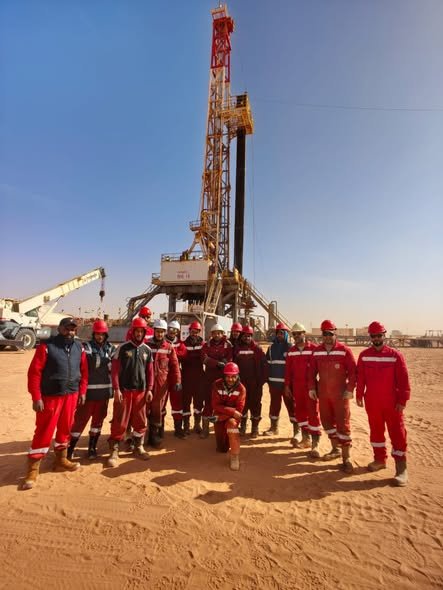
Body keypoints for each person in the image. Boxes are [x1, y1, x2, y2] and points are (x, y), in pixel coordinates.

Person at [22, 317, 88, 490]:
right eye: (67, 328)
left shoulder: (79, 347)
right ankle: (33, 468)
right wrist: (36, 397)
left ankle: (61, 459)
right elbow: (34, 373)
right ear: (59, 329)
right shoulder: (47, 347)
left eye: (73, 329)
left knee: (66, 428)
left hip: (71, 395)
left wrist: (82, 391)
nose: (70, 331)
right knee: (44, 430)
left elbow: (84, 372)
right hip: (50, 397)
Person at [356, 321, 411, 486]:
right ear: (370, 337)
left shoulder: (395, 356)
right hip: (372, 402)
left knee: (398, 433)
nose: (376, 338)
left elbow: (403, 380)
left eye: (379, 335)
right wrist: (359, 395)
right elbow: (360, 378)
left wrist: (402, 400)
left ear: (384, 335)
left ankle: (401, 469)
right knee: (376, 431)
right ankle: (380, 459)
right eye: (373, 336)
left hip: (392, 403)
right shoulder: (364, 355)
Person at [309, 320, 356, 473]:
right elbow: (311, 372)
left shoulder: (344, 350)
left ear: (335, 333)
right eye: (325, 334)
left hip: (340, 394)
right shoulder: (317, 351)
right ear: (322, 334)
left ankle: (346, 458)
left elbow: (353, 372)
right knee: (327, 422)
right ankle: (335, 449)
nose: (327, 336)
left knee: (343, 424)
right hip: (323, 394)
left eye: (330, 333)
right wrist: (312, 388)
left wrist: (350, 389)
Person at [107, 317, 153, 467]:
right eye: (136, 331)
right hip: (124, 391)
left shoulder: (147, 350)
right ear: (132, 331)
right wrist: (116, 389)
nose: (139, 334)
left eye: (141, 331)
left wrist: (149, 389)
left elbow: (150, 372)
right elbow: (114, 370)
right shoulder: (122, 348)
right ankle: (114, 450)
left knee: (140, 421)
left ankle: (138, 447)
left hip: (141, 391)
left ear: (144, 333)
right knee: (120, 421)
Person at [68, 320, 115, 460]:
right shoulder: (86, 347)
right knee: (80, 421)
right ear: (93, 334)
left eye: (102, 334)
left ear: (106, 335)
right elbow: (83, 367)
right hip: (88, 393)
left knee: (98, 422)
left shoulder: (111, 348)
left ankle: (92, 448)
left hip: (104, 393)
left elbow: (115, 368)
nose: (100, 337)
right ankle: (70, 448)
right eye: (97, 334)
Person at [285, 322, 321, 457]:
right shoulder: (291, 351)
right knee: (300, 413)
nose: (296, 336)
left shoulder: (314, 349)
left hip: (311, 387)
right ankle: (306, 439)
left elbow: (321, 368)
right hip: (297, 387)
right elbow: (288, 370)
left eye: (298, 333)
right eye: (294, 334)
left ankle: (315, 444)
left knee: (313, 414)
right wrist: (287, 385)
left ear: (304, 333)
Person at [146, 319, 181, 447]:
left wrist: (177, 381)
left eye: (162, 332)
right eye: (158, 331)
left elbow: (175, 365)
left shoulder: (168, 347)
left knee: (158, 408)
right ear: (154, 331)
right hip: (147, 382)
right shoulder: (147, 346)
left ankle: (155, 434)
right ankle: (145, 435)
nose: (160, 334)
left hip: (162, 384)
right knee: (145, 409)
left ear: (164, 332)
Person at [234, 325, 267, 438]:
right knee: (242, 404)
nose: (247, 338)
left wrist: (261, 381)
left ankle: (255, 428)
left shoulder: (257, 349)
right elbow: (234, 364)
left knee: (255, 404)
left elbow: (264, 366)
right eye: (245, 336)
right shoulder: (237, 349)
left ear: (252, 336)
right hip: (241, 383)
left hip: (255, 383)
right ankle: (243, 426)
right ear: (241, 336)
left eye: (249, 336)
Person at [200, 324, 233, 439]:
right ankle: (205, 430)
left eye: (219, 333)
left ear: (223, 333)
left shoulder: (228, 345)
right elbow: (204, 358)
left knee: (223, 403)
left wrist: (226, 362)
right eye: (215, 333)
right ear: (211, 334)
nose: (217, 335)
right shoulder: (207, 345)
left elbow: (230, 358)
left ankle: (222, 428)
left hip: (223, 380)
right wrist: (217, 363)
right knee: (208, 402)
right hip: (209, 379)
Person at [212, 362, 246, 471]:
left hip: (230, 418)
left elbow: (239, 411)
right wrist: (230, 412)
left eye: (233, 376)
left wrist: (221, 417)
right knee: (222, 449)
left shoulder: (241, 389)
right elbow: (215, 405)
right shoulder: (217, 385)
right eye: (228, 376)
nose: (230, 379)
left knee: (232, 425)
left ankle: (235, 456)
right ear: (224, 376)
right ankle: (224, 443)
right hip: (221, 414)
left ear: (237, 376)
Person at [263, 323, 292, 436]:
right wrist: (268, 380)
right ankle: (274, 428)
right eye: (278, 333)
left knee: (291, 405)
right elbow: (267, 365)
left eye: (282, 333)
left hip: (287, 385)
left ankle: (297, 430)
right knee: (274, 405)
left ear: (286, 334)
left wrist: (291, 383)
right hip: (274, 384)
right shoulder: (271, 348)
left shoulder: (291, 348)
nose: (279, 335)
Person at [164, 320, 187, 438]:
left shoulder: (180, 344)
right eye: (171, 329)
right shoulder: (162, 342)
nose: (173, 332)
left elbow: (184, 354)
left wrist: (170, 353)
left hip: (175, 377)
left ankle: (178, 428)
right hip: (163, 376)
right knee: (160, 403)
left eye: (175, 330)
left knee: (177, 403)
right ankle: (158, 430)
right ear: (167, 330)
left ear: (178, 332)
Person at [181, 321, 205, 434]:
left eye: (196, 331)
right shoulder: (183, 344)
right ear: (189, 331)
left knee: (198, 402)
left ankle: (197, 424)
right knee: (186, 402)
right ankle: (186, 425)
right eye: (193, 331)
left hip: (199, 378)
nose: (194, 333)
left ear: (199, 332)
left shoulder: (203, 344)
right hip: (186, 378)